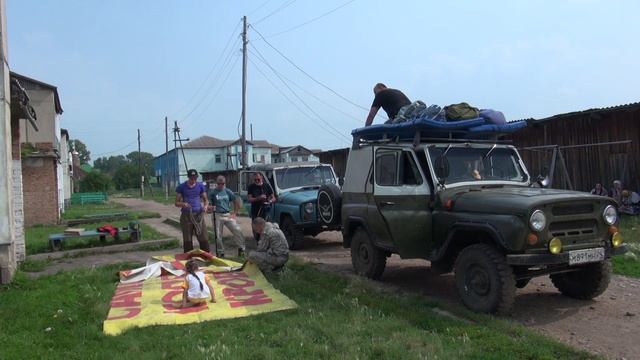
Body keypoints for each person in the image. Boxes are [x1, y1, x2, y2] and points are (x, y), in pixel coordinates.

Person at [208, 175, 245, 258]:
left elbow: (236, 201)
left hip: (227, 214)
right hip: (217, 215)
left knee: (237, 230)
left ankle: (241, 249)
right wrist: (210, 208)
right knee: (217, 235)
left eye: (222, 183)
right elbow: (209, 205)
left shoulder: (228, 191)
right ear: (217, 183)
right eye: (219, 183)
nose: (221, 185)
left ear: (225, 183)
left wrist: (235, 213)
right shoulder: (213, 192)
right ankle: (220, 252)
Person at [175, 169, 211, 253]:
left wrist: (205, 206)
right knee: (187, 238)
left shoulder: (200, 186)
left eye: (195, 178)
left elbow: (206, 200)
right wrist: (183, 204)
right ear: (188, 177)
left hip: (198, 215)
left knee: (203, 236)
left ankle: (206, 255)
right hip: (186, 215)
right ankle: (189, 258)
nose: (193, 180)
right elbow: (176, 203)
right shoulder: (181, 187)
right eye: (191, 178)